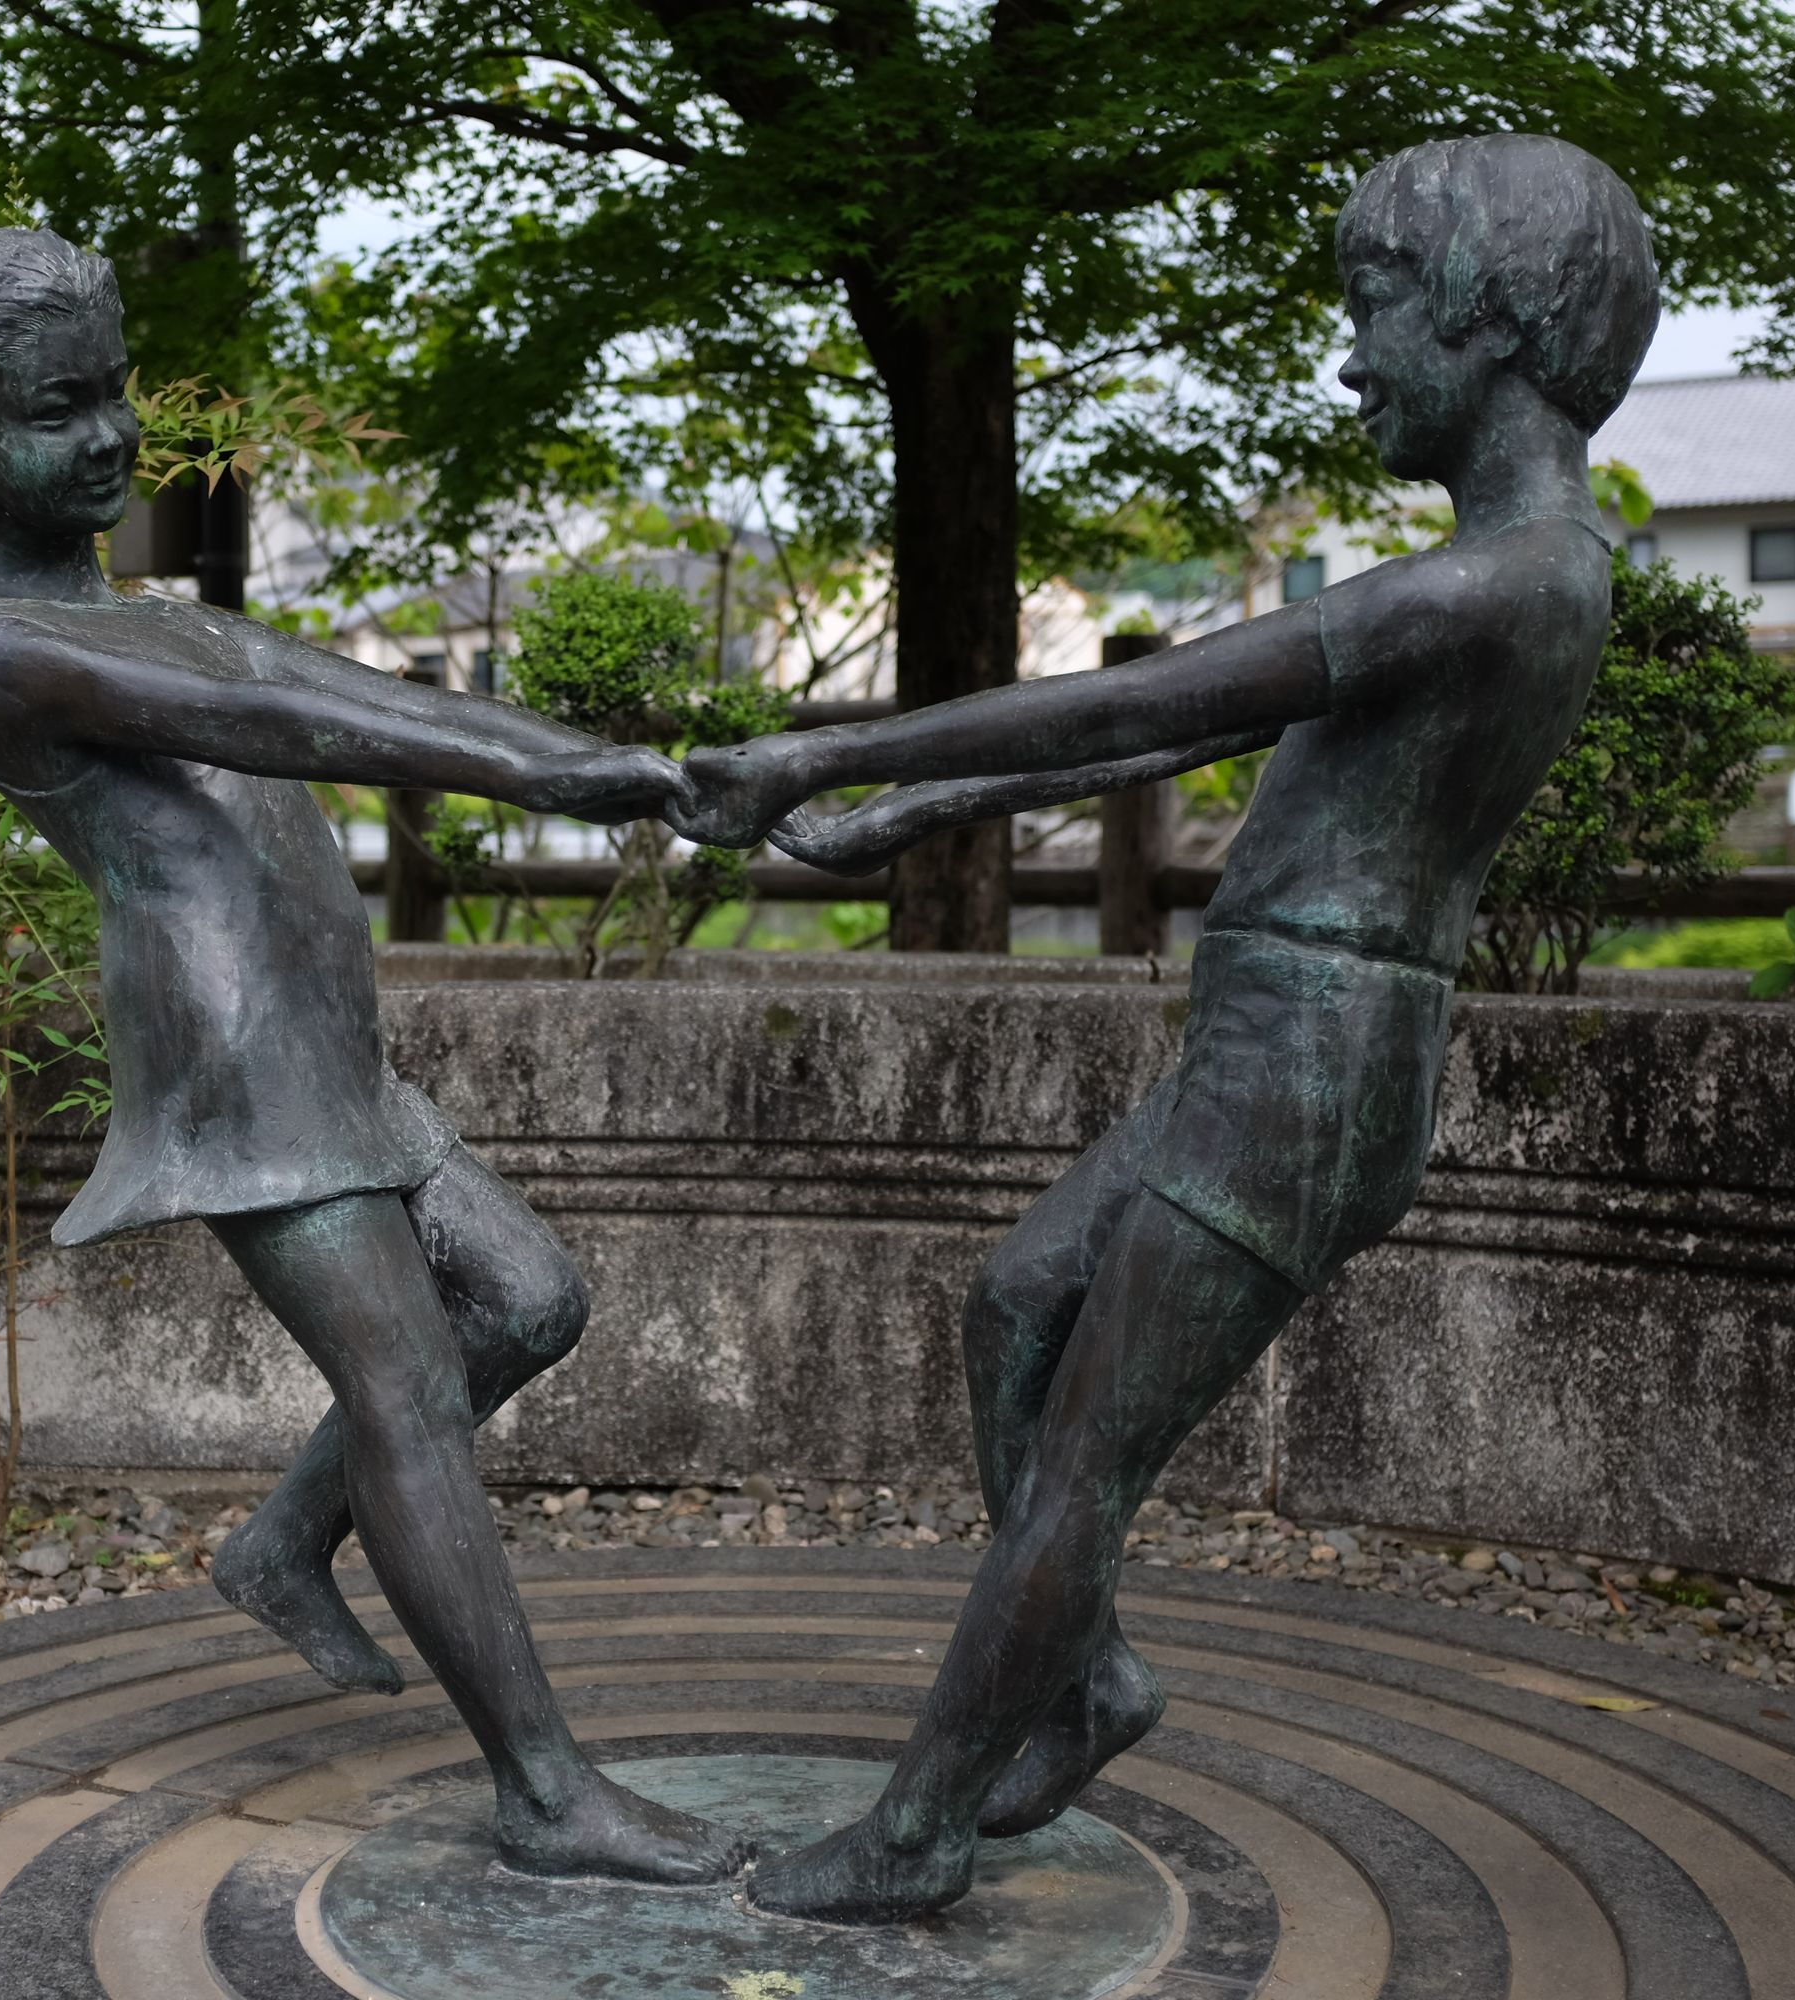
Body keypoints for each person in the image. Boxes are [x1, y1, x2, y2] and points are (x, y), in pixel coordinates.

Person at [673, 134, 1660, 1922]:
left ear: (1495, 323)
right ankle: (1095, 1677)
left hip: (1311, 1073)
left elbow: (1143, 696)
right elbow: (1194, 733)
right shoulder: (1484, 577)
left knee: (1085, 1458)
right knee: (1013, 1311)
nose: (1351, 357)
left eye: (1374, 311)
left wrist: (829, 753)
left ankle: (913, 1830)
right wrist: (909, 819)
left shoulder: (1497, 582)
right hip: (1269, 1046)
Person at [0, 228, 746, 1884]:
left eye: (117, 392)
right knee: (407, 1382)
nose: (117, 435)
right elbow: (289, 732)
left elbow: (334, 681)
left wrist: (602, 760)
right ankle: (545, 1792)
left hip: (330, 1057)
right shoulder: (2, 655)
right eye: (67, 409)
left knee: (532, 1306)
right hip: (238, 1083)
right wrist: (560, 789)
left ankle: (286, 1540)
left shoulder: (162, 615)